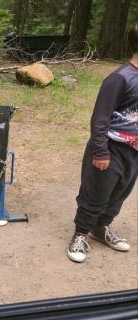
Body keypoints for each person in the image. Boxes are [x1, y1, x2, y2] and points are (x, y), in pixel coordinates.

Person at [67, 24, 138, 263]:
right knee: (96, 193)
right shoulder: (120, 79)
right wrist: (100, 151)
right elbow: (100, 118)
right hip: (110, 149)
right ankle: (80, 234)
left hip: (134, 152)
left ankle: (101, 228)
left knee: (120, 193)